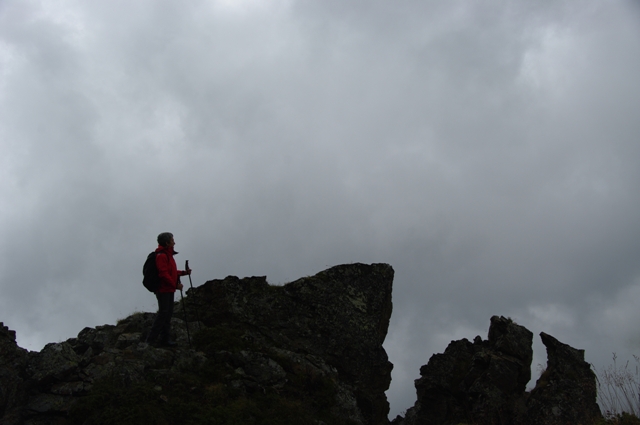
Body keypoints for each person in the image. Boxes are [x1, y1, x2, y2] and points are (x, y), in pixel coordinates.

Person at [146, 232, 191, 347]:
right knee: (164, 314)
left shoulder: (167, 255)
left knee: (167, 314)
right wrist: (175, 285)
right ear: (167, 243)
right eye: (172, 240)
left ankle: (164, 339)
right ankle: (151, 340)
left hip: (168, 289)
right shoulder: (162, 256)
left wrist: (183, 273)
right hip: (163, 289)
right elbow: (163, 274)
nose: (174, 242)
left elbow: (171, 273)